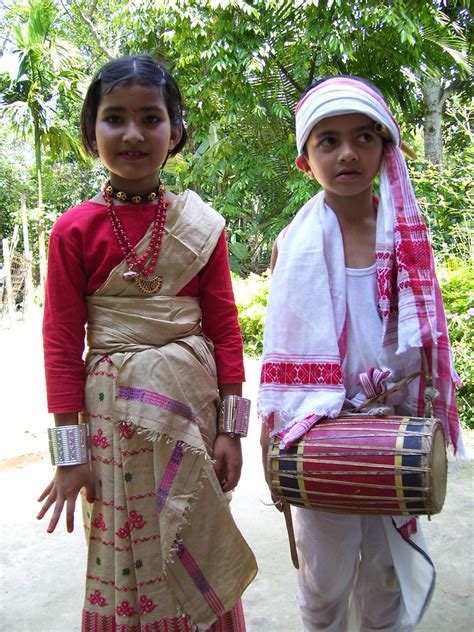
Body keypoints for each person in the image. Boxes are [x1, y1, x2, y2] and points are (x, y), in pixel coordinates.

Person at [37, 54, 257, 632]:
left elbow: (225, 326)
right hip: (110, 431)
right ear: (91, 134)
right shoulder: (72, 230)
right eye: (114, 118)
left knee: (193, 530)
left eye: (150, 118)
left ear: (176, 131)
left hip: (192, 415)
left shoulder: (201, 226)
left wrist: (232, 429)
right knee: (126, 552)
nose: (133, 133)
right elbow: (61, 344)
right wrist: (71, 456)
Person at [258, 76, 464, 632]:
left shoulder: (408, 241)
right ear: (305, 160)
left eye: (363, 138)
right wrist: (273, 430)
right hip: (320, 434)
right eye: (327, 140)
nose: (346, 152)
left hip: (394, 432)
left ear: (385, 151)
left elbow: (424, 345)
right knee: (323, 586)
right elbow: (282, 344)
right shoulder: (292, 244)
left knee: (385, 581)